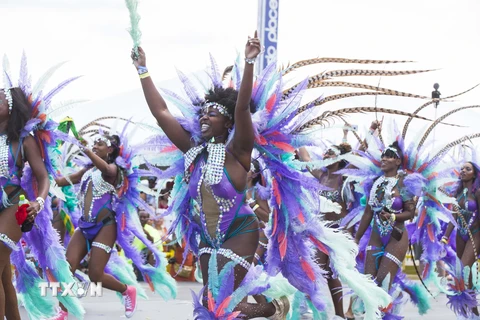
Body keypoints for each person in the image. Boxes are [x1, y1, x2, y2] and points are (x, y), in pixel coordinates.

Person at [132, 32, 288, 318]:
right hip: (207, 237)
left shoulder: (239, 151)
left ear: (227, 121)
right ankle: (271, 309)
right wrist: (143, 69)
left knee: (218, 304)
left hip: (240, 232)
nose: (204, 117)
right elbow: (161, 112)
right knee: (211, 304)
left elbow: (241, 107)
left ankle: (270, 308)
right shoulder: (194, 151)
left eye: (213, 113)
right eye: (202, 113)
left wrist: (250, 62)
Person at [53, 134, 138, 319]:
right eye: (94, 144)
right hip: (84, 227)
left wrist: (87, 150)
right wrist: (41, 176)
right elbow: (63, 181)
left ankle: (127, 290)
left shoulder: (114, 170)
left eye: (100, 144)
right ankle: (63, 311)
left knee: (95, 276)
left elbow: (106, 168)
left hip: (105, 227)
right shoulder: (88, 170)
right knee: (66, 268)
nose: (95, 146)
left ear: (110, 150)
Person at [0, 87, 50, 320]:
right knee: (3, 278)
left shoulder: (24, 140)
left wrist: (38, 202)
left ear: (10, 107)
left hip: (12, 208)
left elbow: (43, 177)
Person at [355, 142, 416, 314]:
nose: (383, 159)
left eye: (389, 156)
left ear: (398, 162)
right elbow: (368, 213)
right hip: (376, 234)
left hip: (396, 237)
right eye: (383, 155)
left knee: (383, 282)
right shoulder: (376, 182)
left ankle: (387, 310)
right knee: (367, 283)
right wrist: (356, 238)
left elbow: (410, 212)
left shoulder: (403, 183)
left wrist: (394, 216)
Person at [298, 140, 352, 319]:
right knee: (328, 273)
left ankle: (306, 308)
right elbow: (305, 157)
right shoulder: (321, 174)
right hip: (319, 231)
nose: (326, 156)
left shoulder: (343, 177)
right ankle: (339, 315)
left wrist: (372, 132)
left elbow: (358, 159)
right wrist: (295, 138)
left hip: (336, 232)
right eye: (325, 153)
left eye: (331, 153)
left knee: (316, 269)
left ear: (339, 159)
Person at [442, 161, 480, 318]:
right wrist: (445, 236)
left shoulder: (477, 192)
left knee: (462, 272)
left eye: (468, 169)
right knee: (468, 278)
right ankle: (472, 313)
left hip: (475, 235)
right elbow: (454, 216)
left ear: (474, 174)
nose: (463, 170)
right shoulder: (457, 193)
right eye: (462, 168)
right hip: (460, 236)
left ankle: (468, 312)